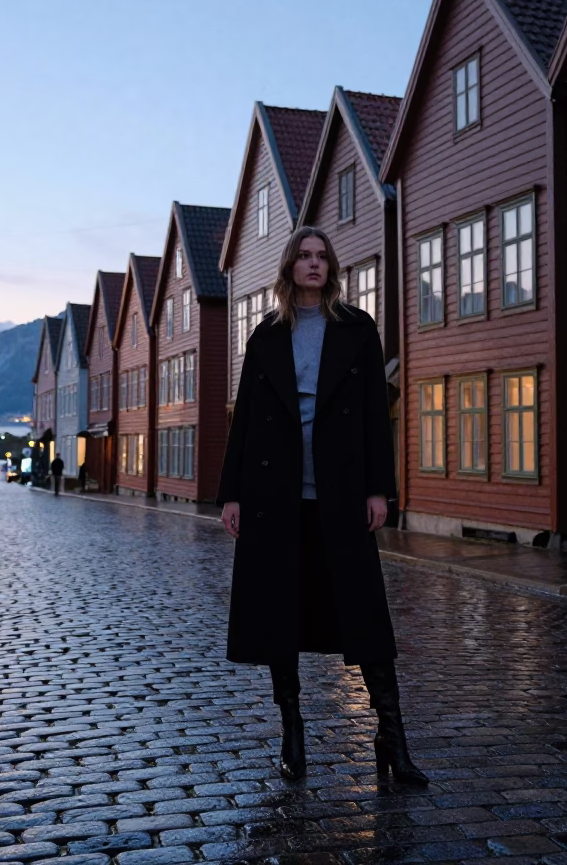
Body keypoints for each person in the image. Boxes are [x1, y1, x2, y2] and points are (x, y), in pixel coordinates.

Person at [217, 226, 427, 786]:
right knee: (278, 616)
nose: (314, 265)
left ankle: (392, 738)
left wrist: (379, 487)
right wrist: (232, 492)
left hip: (339, 491)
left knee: (364, 616)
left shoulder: (357, 329)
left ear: (332, 268)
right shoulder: (265, 335)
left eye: (322, 257)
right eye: (304, 257)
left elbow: (373, 419)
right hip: (273, 496)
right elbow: (244, 421)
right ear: (289, 267)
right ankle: (293, 733)